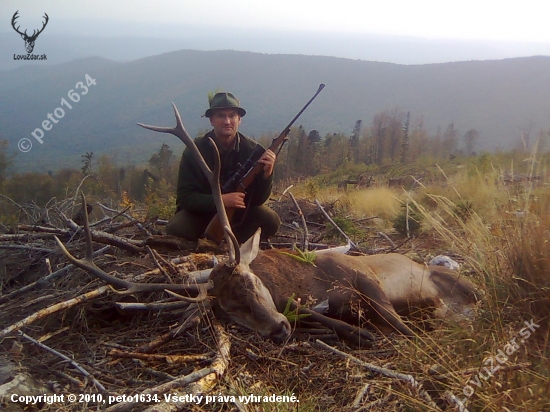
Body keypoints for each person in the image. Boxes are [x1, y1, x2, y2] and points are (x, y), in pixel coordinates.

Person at [166, 92, 281, 243]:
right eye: (221, 116)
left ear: (239, 120)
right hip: (202, 213)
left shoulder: (253, 151)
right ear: (212, 120)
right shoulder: (194, 151)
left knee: (271, 221)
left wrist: (267, 174)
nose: (227, 121)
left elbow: (258, 200)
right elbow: (185, 198)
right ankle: (222, 238)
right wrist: (221, 200)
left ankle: (225, 238)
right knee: (176, 228)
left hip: (239, 213)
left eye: (232, 115)